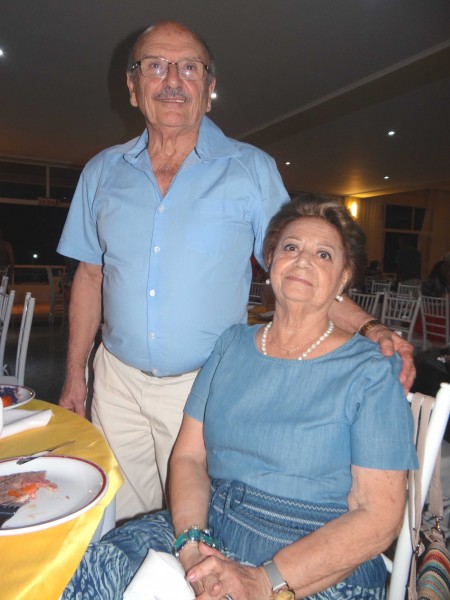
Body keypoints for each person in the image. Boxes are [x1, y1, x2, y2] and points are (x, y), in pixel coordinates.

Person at [57, 20, 415, 522]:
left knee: (197, 524)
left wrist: (372, 328)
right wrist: (76, 376)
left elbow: (300, 272)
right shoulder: (101, 172)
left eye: (190, 68)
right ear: (133, 87)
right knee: (122, 521)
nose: (173, 80)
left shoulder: (251, 170)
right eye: (156, 66)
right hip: (115, 383)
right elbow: (90, 276)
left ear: (210, 89)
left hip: (205, 389)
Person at [62, 197, 417, 600]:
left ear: (343, 279)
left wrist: (265, 580)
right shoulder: (232, 345)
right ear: (271, 261)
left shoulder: (372, 369)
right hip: (212, 526)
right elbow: (189, 458)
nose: (303, 260)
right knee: (85, 575)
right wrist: (192, 545)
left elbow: (379, 517)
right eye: (291, 247)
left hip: (315, 555)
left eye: (323, 254)